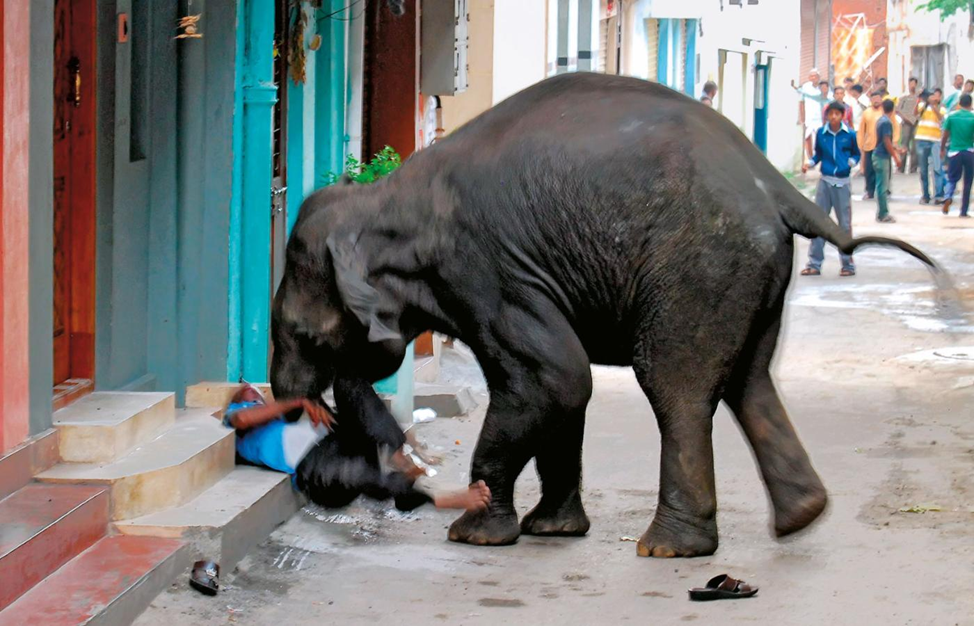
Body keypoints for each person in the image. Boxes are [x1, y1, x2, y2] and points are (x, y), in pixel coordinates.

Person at [222, 383, 492, 513]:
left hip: (334, 443)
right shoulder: (237, 416)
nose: (251, 389)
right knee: (357, 473)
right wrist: (297, 402)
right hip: (315, 470)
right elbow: (244, 419)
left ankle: (398, 456)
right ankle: (441, 498)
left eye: (256, 391)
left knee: (349, 385)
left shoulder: (280, 420)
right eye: (248, 391)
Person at [801, 101, 861, 277]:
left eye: (837, 114)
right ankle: (814, 263)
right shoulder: (822, 133)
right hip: (825, 182)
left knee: (844, 225)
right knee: (819, 222)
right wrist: (810, 163)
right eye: (831, 114)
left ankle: (847, 264)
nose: (834, 117)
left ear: (842, 116)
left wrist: (849, 164)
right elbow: (818, 154)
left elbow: (856, 154)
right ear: (827, 116)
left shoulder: (849, 134)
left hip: (842, 183)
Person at [858, 90, 901, 199]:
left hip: (884, 146)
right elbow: (862, 130)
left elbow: (895, 126)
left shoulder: (886, 112)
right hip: (869, 145)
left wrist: (895, 141)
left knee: (885, 170)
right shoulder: (866, 113)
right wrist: (861, 144)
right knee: (869, 170)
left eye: (878, 98)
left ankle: (885, 189)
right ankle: (870, 191)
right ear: (871, 100)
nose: (876, 101)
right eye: (874, 99)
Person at [940, 93, 974, 217]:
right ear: (970, 104)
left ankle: (948, 196)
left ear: (959, 104)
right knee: (968, 182)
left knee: (952, 178)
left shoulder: (952, 117)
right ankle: (963, 211)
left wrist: (942, 149)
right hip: (969, 152)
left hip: (954, 152)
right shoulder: (972, 117)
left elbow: (945, 134)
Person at [873, 99, 904, 223]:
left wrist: (896, 148)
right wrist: (896, 157)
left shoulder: (880, 120)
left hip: (878, 154)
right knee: (882, 186)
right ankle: (883, 213)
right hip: (882, 156)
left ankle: (881, 212)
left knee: (881, 185)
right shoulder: (887, 123)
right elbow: (886, 141)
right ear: (893, 109)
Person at [914, 89, 947, 204]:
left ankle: (938, 195)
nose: (934, 98)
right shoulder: (923, 105)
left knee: (937, 167)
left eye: (936, 96)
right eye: (932, 96)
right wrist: (921, 99)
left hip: (935, 140)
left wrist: (933, 106)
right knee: (923, 169)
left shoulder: (941, 108)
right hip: (921, 138)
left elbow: (940, 118)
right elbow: (915, 114)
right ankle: (925, 195)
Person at [795, 69, 830, 161]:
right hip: (809, 117)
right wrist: (802, 118)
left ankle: (821, 156)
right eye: (811, 76)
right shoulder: (805, 87)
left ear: (819, 77)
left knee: (820, 138)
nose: (813, 78)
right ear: (809, 77)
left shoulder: (823, 87)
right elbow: (801, 103)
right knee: (807, 137)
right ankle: (811, 158)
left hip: (820, 117)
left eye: (815, 76)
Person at [895, 77, 920, 173]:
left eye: (914, 83)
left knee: (914, 146)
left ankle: (913, 168)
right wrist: (906, 118)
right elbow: (897, 110)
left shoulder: (918, 97)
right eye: (911, 83)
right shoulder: (904, 97)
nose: (912, 86)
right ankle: (901, 167)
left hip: (916, 123)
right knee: (904, 145)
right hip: (906, 123)